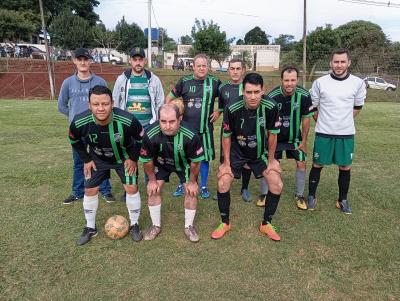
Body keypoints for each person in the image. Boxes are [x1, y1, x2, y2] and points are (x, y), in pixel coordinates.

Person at [212, 73, 283, 241]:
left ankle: (266, 224)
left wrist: (272, 161)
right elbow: (226, 135)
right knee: (223, 181)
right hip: (237, 151)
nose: (253, 96)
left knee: (277, 184)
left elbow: (273, 134)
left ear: (263, 91)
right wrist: (226, 163)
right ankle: (225, 223)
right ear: (242, 91)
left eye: (256, 92)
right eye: (249, 92)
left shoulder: (271, 106)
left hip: (260, 152)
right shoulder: (232, 107)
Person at [69, 85, 144, 246]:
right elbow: (74, 140)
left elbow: (140, 139)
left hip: (124, 158)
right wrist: (86, 159)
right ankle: (90, 227)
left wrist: (133, 158)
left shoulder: (128, 120)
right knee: (89, 190)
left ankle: (134, 224)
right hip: (97, 159)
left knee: (131, 188)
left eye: (105, 103)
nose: (101, 108)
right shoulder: (79, 121)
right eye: (96, 104)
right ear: (89, 105)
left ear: (112, 103)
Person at [307, 48, 366, 214]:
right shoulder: (320, 82)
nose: (339, 65)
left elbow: (358, 107)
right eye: (336, 62)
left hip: (346, 134)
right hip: (324, 132)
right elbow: (313, 106)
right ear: (330, 63)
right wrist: (323, 121)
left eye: (342, 62)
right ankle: (311, 196)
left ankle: (342, 200)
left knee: (345, 166)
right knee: (317, 164)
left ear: (349, 63)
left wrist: (344, 121)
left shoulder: (357, 83)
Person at [139, 104, 204, 242]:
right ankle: (156, 226)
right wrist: (151, 180)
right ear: (158, 119)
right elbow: (147, 160)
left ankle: (189, 226)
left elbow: (195, 162)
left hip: (184, 164)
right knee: (153, 190)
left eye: (172, 121)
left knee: (191, 191)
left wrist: (192, 182)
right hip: (161, 164)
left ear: (180, 119)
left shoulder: (191, 135)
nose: (167, 126)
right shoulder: (150, 134)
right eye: (163, 121)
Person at [58, 48, 114, 205]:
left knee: (102, 160)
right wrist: (74, 118)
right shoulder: (68, 82)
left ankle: (105, 190)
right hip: (78, 131)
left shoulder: (100, 82)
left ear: (90, 61)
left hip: (98, 128)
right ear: (74, 61)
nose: (83, 62)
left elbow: (107, 104)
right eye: (79, 59)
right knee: (78, 161)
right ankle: (77, 191)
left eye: (86, 59)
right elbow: (61, 105)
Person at [257, 66, 316, 209]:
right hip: (275, 139)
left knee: (302, 162)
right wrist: (267, 142)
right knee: (269, 163)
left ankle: (299, 195)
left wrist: (303, 141)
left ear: (297, 80)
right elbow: (266, 122)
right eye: (286, 80)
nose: (289, 84)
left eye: (293, 80)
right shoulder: (272, 96)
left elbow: (306, 120)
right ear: (281, 80)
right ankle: (265, 193)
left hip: (294, 139)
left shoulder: (304, 95)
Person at [166, 53, 221, 199]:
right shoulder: (184, 81)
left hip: (205, 129)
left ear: (208, 67)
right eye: (199, 66)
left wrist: (219, 110)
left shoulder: (215, 82)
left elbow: (226, 97)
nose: (202, 68)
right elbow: (169, 98)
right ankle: (182, 183)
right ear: (193, 66)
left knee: (204, 158)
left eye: (204, 66)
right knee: (184, 158)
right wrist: (172, 114)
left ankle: (202, 186)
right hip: (185, 131)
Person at [218, 58, 253, 202]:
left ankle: (244, 188)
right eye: (232, 68)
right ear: (228, 71)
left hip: (245, 130)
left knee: (246, 160)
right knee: (224, 159)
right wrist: (218, 112)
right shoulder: (222, 88)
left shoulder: (248, 88)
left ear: (243, 70)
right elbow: (222, 106)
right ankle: (222, 187)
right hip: (227, 130)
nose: (235, 71)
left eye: (238, 68)